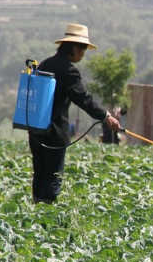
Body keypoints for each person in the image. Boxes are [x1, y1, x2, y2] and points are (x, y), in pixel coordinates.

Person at [29, 23, 121, 204]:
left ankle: (36, 213)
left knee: (40, 175)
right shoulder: (68, 70)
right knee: (53, 178)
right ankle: (46, 219)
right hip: (54, 134)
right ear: (74, 47)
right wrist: (105, 116)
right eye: (83, 50)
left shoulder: (45, 64)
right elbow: (83, 98)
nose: (83, 54)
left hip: (35, 131)